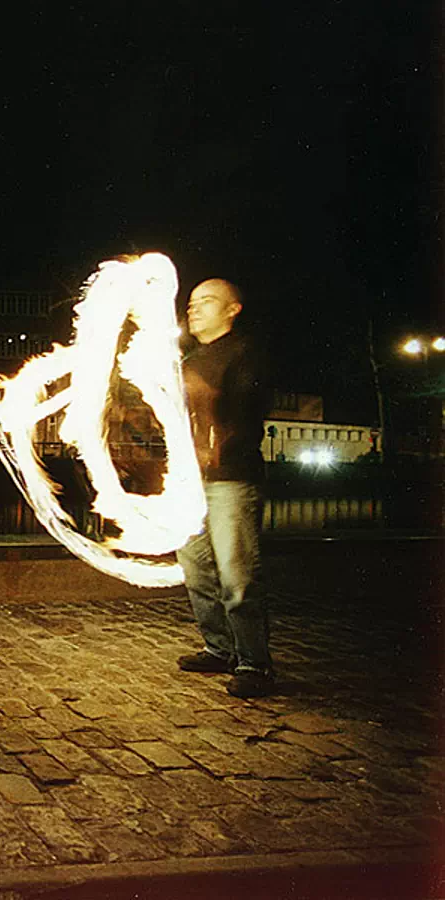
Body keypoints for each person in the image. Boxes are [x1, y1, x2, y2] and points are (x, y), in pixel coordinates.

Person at [175, 278, 274, 698]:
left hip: (231, 479)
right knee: (196, 567)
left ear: (232, 310)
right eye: (192, 302)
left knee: (237, 574)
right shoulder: (190, 359)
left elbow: (246, 406)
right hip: (190, 482)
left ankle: (255, 663)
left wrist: (211, 416)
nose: (194, 309)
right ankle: (219, 648)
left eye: (207, 302)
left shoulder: (246, 353)